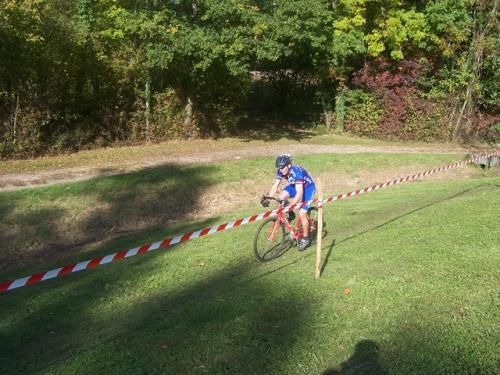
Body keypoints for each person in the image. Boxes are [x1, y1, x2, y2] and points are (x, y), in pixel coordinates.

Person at [262, 154, 316, 250]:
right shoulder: (280, 171)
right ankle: (290, 214)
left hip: (308, 188)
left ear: (289, 165)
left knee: (302, 213)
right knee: (281, 198)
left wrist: (291, 205)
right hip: (295, 185)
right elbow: (275, 185)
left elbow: (299, 193)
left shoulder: (296, 173)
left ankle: (305, 238)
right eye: (279, 168)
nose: (281, 169)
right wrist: (269, 198)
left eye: (282, 167)